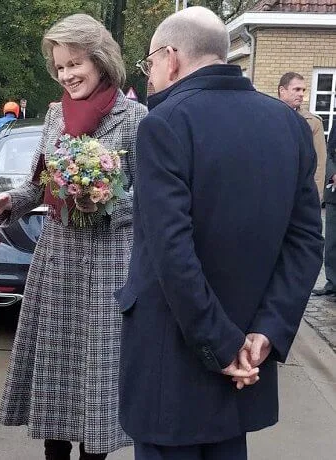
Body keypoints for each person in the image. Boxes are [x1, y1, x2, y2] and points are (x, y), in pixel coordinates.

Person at [116, 7, 323, 460]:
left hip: (172, 368)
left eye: (148, 63)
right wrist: (266, 331)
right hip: (249, 361)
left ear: (171, 57)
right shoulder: (287, 124)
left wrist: (223, 346)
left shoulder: (165, 124)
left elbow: (171, 251)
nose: (148, 78)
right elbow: (306, 241)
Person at [0, 13, 148, 459]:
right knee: (55, 374)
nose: (67, 75)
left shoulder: (136, 118)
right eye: (60, 67)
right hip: (58, 258)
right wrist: (10, 200)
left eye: (76, 63)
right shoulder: (55, 116)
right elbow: (40, 182)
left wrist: (108, 203)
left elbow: (152, 197)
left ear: (101, 59)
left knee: (98, 374)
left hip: (110, 260)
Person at [278, 72, 327, 202]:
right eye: (297, 89)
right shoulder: (265, 116)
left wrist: (315, 197)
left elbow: (319, 163)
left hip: (299, 192)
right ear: (282, 90)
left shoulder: (313, 122)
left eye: (303, 90)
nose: (301, 94)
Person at [314, 121, 336, 296]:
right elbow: (328, 153)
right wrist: (333, 173)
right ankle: (332, 281)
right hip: (334, 191)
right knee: (332, 240)